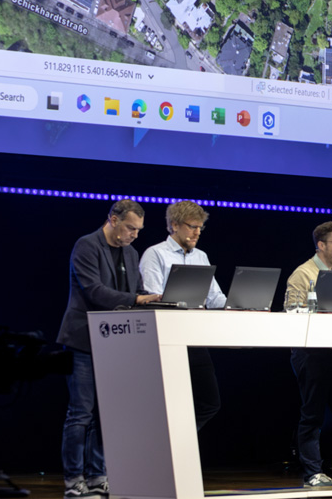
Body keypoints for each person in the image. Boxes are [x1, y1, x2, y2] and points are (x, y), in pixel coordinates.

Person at [57, 200, 162, 498]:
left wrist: (155, 298)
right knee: (80, 413)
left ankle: (97, 475)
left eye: (139, 230)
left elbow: (136, 290)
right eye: (130, 228)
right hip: (83, 341)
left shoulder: (130, 252)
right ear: (113, 220)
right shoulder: (86, 246)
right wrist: (138, 300)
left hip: (116, 342)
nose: (134, 235)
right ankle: (73, 478)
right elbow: (94, 291)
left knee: (107, 414)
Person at [138, 200, 224, 431]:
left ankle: (178, 443)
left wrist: (239, 306)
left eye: (200, 227)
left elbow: (215, 297)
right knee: (171, 404)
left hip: (194, 338)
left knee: (209, 402)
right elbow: (152, 296)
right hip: (166, 339)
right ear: (174, 225)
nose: (197, 232)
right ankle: (162, 450)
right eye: (192, 226)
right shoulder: (155, 254)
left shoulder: (201, 256)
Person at [285, 221, 332, 487]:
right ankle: (313, 472)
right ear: (321, 245)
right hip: (310, 352)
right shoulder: (303, 273)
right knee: (313, 414)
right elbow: (291, 311)